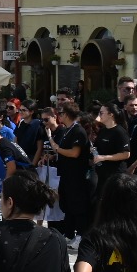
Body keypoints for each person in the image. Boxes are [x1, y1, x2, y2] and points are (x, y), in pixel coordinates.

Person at [48, 103, 93, 241]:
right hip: (66, 174)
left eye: (60, 113)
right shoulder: (66, 130)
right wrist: (54, 155)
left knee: (78, 205)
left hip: (77, 175)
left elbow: (74, 153)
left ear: (66, 114)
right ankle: (68, 234)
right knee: (66, 204)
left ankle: (80, 234)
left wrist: (56, 148)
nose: (58, 116)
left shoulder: (78, 130)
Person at [92, 103, 131, 188]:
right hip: (103, 175)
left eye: (101, 113)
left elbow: (126, 154)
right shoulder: (103, 131)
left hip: (116, 175)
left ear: (110, 115)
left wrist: (104, 157)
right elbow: (97, 147)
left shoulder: (120, 132)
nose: (99, 115)